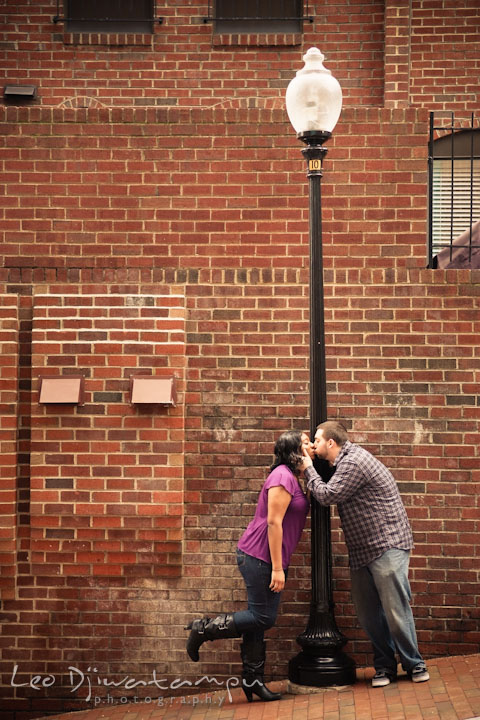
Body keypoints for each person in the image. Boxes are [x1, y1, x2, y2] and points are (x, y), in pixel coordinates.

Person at [300, 421, 429, 688]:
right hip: (362, 549)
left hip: (386, 544)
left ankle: (414, 664)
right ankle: (384, 667)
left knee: (395, 609)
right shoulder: (342, 462)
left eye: (317, 440)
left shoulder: (353, 462)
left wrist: (307, 468)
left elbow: (327, 495)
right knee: (369, 614)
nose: (314, 445)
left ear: (331, 443)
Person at [185, 430, 310, 702]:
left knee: (259, 618)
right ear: (294, 451)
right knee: (263, 617)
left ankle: (253, 680)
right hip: (260, 556)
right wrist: (277, 568)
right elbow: (273, 522)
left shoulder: (293, 477)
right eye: (305, 443)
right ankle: (202, 629)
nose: (311, 445)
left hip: (269, 557)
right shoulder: (281, 477)